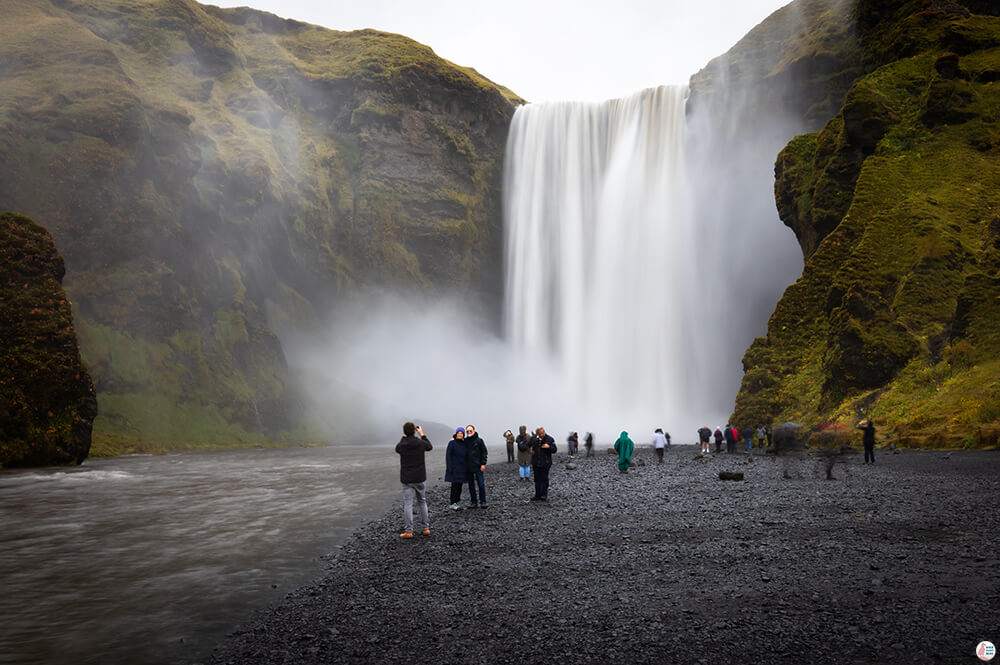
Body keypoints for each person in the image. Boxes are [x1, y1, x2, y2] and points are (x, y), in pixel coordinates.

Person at [395, 422, 433, 538]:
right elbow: (429, 446)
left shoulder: (402, 444)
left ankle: (409, 531)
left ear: (404, 432)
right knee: (422, 501)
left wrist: (404, 437)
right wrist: (422, 434)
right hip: (420, 477)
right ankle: (426, 528)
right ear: (415, 431)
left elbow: (397, 448)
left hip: (407, 478)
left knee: (408, 503)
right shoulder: (420, 443)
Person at [445, 427, 469, 510]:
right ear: (456, 434)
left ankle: (457, 501)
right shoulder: (452, 443)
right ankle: (452, 503)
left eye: (461, 433)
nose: (460, 434)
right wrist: (449, 467)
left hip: (463, 468)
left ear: (463, 435)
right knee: (454, 486)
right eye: (458, 433)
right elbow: (448, 456)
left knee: (460, 486)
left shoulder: (464, 443)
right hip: (454, 468)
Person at [529, 427, 557, 500]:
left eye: (543, 432)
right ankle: (537, 495)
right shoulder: (533, 439)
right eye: (541, 433)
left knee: (544, 478)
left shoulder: (549, 439)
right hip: (536, 462)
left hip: (545, 462)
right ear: (537, 433)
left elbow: (554, 450)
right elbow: (527, 445)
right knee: (537, 479)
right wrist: (530, 450)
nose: (543, 434)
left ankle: (544, 495)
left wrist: (549, 447)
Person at [465, 424, 488, 509]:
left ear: (474, 431)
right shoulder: (465, 441)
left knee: (481, 484)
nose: (469, 432)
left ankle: (483, 502)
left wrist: (483, 464)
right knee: (471, 486)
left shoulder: (479, 441)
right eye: (467, 431)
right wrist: (453, 439)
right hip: (468, 467)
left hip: (478, 466)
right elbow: (458, 442)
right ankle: (473, 502)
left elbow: (484, 452)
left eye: (470, 431)